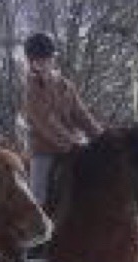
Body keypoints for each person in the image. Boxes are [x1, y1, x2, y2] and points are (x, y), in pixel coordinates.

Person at [21, 32, 100, 226]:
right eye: (38, 61)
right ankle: (36, 234)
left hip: (72, 146)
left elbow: (81, 114)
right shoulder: (31, 90)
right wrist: (73, 142)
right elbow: (47, 122)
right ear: (31, 62)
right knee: (38, 195)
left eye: (47, 59)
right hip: (44, 150)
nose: (44, 64)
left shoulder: (65, 85)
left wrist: (101, 136)